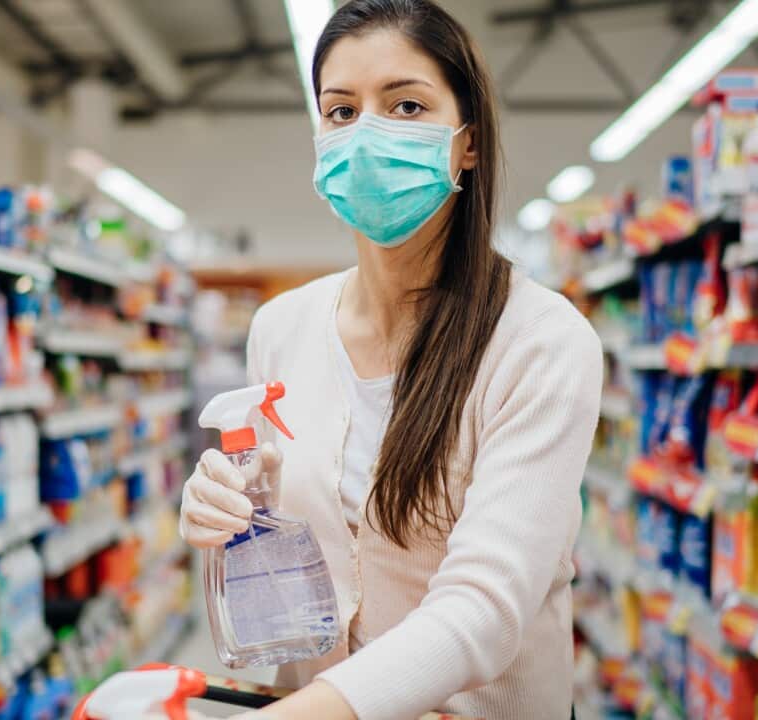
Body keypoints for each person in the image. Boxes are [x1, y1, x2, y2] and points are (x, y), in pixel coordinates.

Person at [180, 1, 602, 718]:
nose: (368, 135)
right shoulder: (281, 327)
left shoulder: (541, 341)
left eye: (406, 105)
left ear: (467, 141)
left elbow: (485, 606)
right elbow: (305, 563)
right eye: (341, 112)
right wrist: (233, 509)